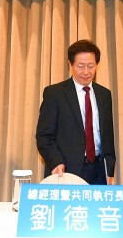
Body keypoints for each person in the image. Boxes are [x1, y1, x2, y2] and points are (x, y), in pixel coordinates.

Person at [36, 40, 116, 185]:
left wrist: (109, 169)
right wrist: (55, 161)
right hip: (66, 171)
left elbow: (108, 135)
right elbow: (44, 136)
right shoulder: (55, 93)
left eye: (91, 66)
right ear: (70, 65)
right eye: (81, 66)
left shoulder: (104, 94)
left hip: (99, 170)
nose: (86, 72)